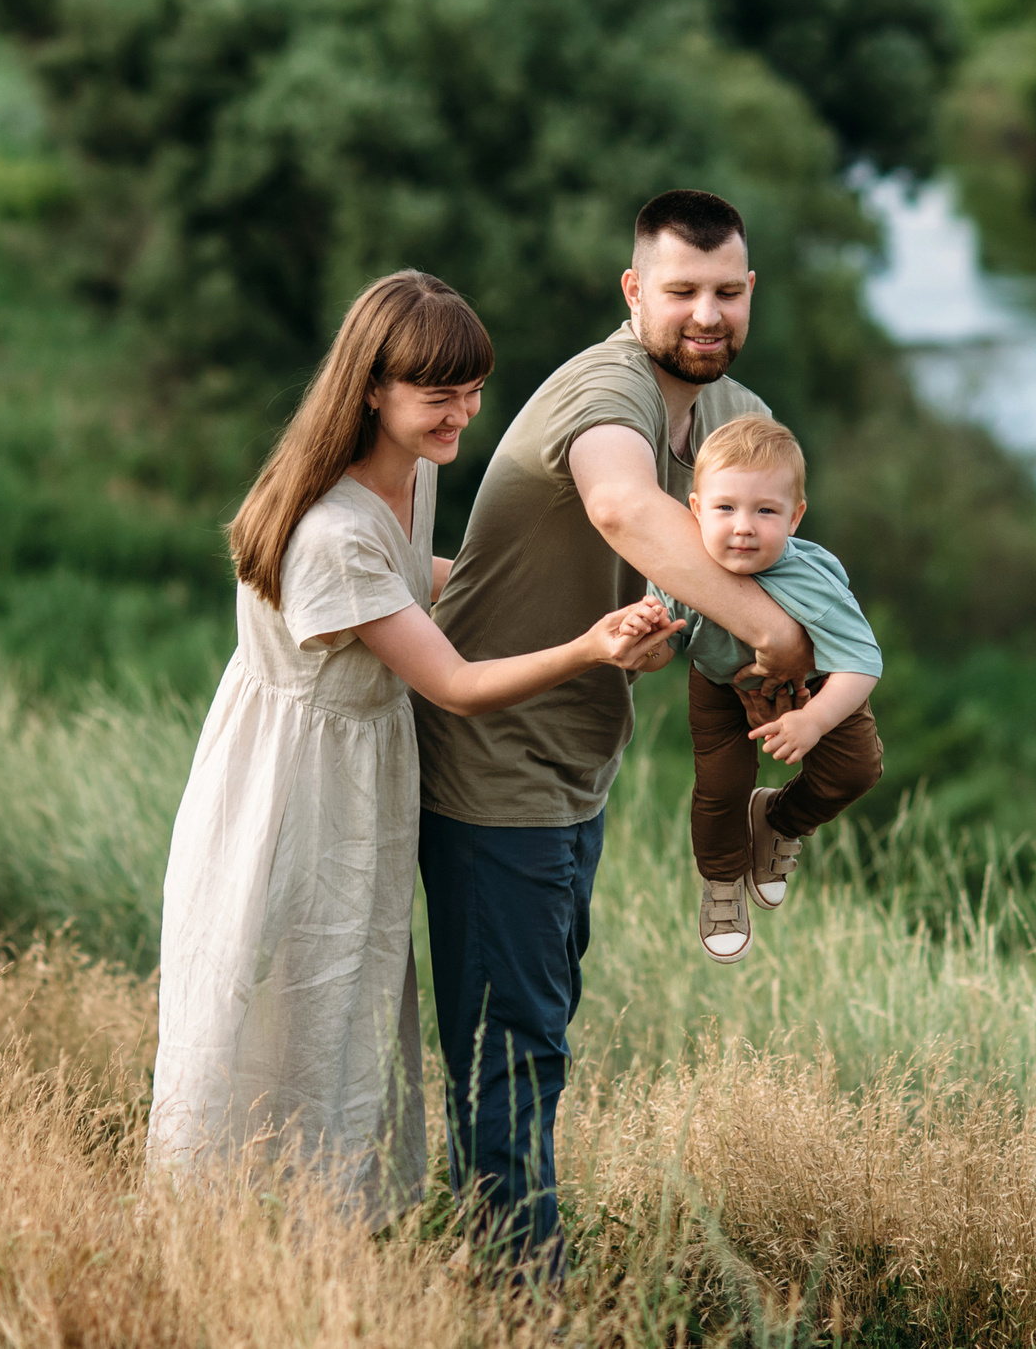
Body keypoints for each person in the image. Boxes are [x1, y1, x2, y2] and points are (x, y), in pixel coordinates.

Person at [147, 270, 671, 1219]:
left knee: (345, 1011)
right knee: (284, 1004)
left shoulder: (411, 475)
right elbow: (457, 686)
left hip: (359, 770)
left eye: (473, 390)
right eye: (441, 394)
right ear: (374, 388)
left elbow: (435, 582)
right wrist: (591, 644)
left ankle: (323, 1232)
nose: (463, 413)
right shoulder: (331, 530)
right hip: (295, 788)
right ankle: (239, 1232)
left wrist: (564, 599)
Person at [415, 189, 816, 1266]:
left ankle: (495, 1269)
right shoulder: (608, 390)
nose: (705, 314)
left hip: (573, 763)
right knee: (513, 1052)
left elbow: (761, 539)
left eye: (726, 292)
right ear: (635, 291)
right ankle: (515, 1301)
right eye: (680, 291)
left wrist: (796, 671)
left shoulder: (729, 408)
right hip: (494, 761)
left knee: (532, 1040)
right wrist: (768, 631)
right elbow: (623, 509)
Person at [646, 414, 885, 964]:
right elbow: (662, 654)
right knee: (720, 787)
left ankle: (779, 820)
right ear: (696, 509)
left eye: (766, 511)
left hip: (819, 686)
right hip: (719, 682)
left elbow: (863, 662)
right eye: (726, 508)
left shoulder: (809, 582)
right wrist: (647, 638)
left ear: (795, 517)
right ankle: (723, 882)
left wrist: (815, 720)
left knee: (856, 770)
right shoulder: (683, 570)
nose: (744, 527)